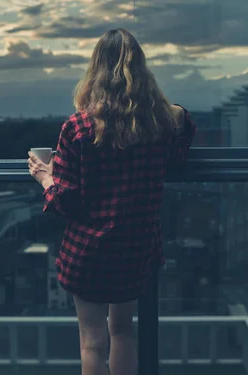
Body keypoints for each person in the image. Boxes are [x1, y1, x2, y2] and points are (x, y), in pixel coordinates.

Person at [28, 28, 196, 375]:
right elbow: (183, 134)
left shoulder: (78, 127)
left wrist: (46, 177)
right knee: (123, 333)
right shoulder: (162, 124)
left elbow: (68, 203)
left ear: (96, 71)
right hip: (135, 248)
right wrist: (167, 107)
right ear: (142, 70)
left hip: (87, 252)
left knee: (92, 341)